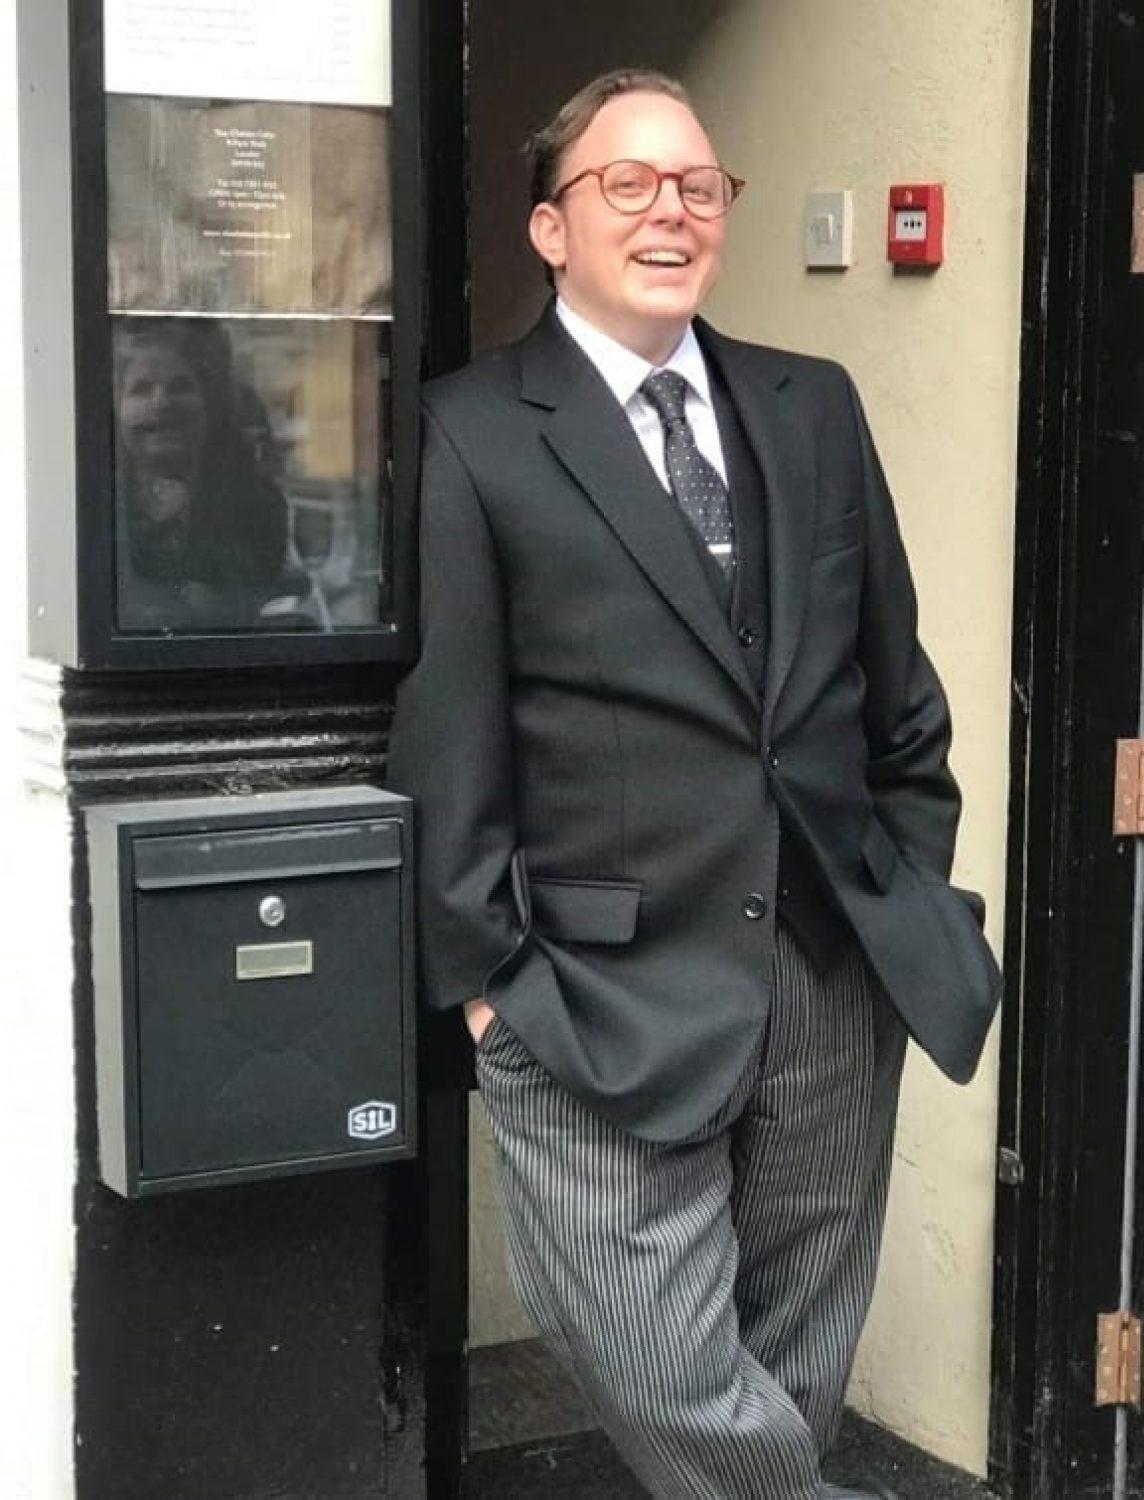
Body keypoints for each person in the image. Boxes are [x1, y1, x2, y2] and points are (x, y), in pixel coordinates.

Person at [386, 68, 999, 1500]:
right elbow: (448, 733)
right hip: (593, 986)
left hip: (829, 966)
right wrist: (488, 995)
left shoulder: (813, 405)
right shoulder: (471, 431)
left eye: (697, 185)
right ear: (552, 228)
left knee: (798, 1354)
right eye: (627, 183)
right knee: (660, 1358)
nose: (670, 209)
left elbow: (896, 689)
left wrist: (906, 889)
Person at [112, 318, 293, 631]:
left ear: (209, 403)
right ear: (117, 408)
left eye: (180, 387)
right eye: (141, 389)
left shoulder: (258, 505)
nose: (162, 402)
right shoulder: (94, 508)